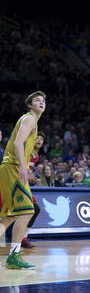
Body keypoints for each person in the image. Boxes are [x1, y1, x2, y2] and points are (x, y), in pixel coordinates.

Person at [0, 91, 46, 269]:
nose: (41, 102)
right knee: (28, 210)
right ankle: (14, 256)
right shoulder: (29, 119)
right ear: (29, 105)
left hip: (8, 167)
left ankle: (14, 255)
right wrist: (22, 166)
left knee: (9, 217)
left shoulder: (31, 121)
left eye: (43, 100)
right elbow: (18, 143)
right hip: (12, 167)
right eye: (37, 100)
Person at [21, 132, 46, 250]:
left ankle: (24, 238)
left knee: (35, 209)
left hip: (23, 183)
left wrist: (31, 178)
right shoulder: (27, 150)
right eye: (37, 138)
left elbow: (27, 170)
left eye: (41, 139)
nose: (39, 140)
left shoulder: (36, 157)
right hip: (15, 182)